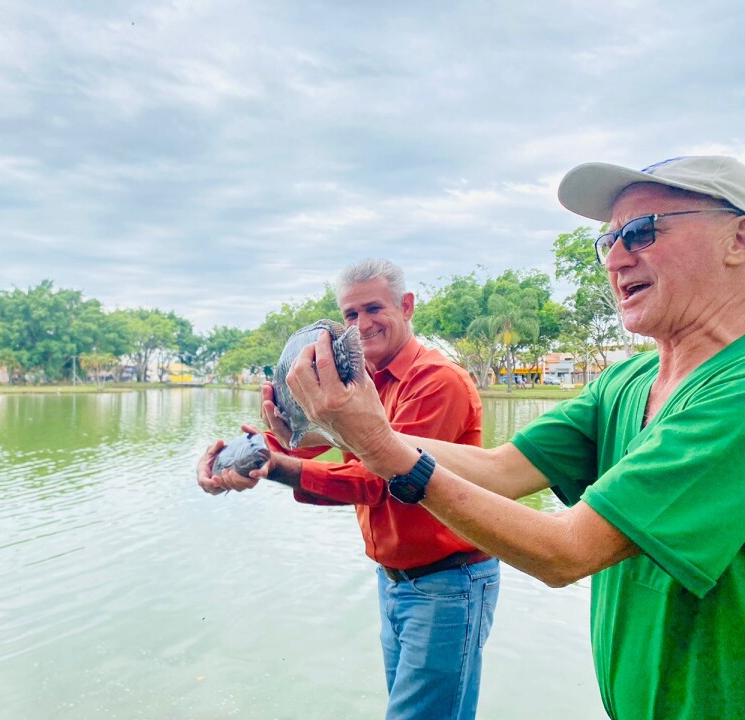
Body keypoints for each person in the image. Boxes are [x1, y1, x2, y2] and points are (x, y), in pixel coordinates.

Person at [284, 156, 745, 720]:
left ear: (738, 239)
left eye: (643, 231)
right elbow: (502, 469)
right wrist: (349, 430)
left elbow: (566, 552)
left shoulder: (735, 393)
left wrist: (379, 448)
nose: (616, 258)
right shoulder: (626, 380)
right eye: (609, 241)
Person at [197, 258, 500, 720]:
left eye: (374, 308)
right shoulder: (358, 382)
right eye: (351, 314)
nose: (362, 324)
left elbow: (385, 479)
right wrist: (240, 456)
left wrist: (279, 467)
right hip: (395, 580)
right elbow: (312, 442)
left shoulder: (437, 382)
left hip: (448, 582)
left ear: (406, 306)